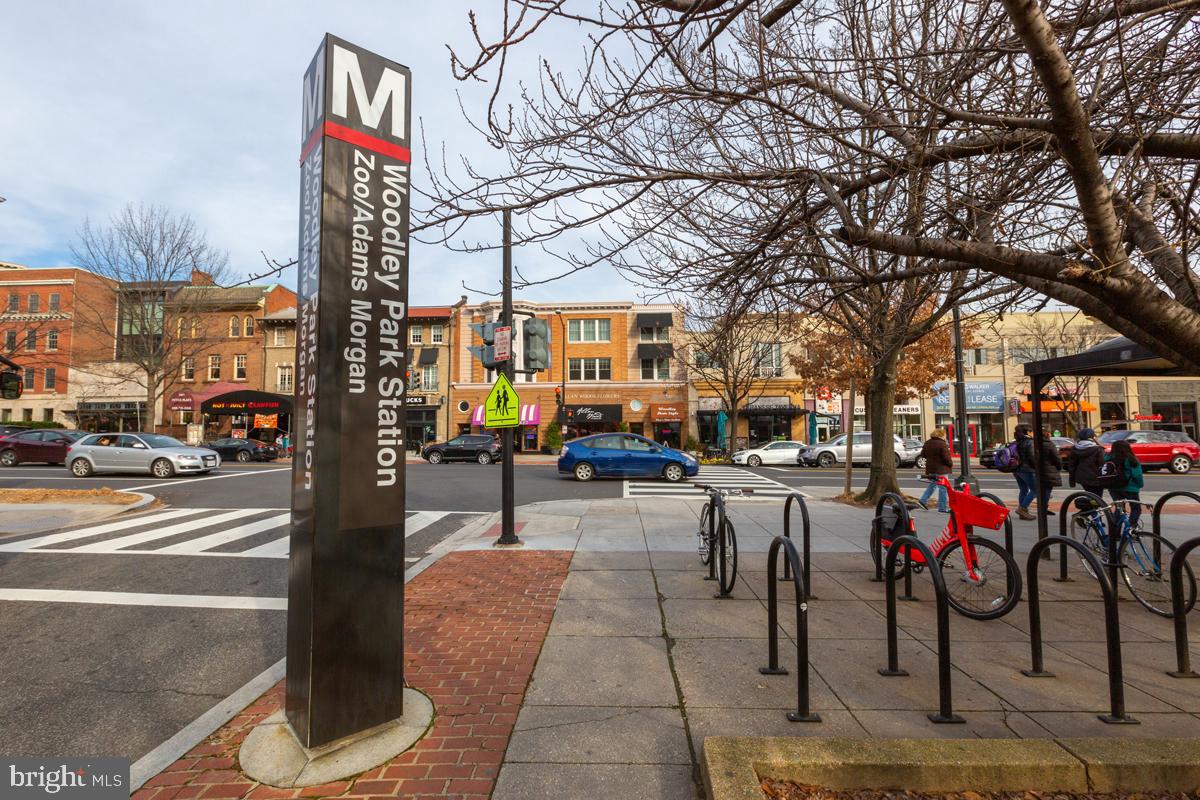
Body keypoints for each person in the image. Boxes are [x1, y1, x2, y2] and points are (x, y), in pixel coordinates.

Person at [1105, 438, 1145, 527]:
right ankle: (1131, 528)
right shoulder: (1131, 459)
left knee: (1119, 509)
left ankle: (1115, 533)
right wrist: (1140, 485)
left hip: (1113, 487)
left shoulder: (1108, 458)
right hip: (1130, 487)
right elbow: (1137, 475)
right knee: (1136, 508)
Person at [916, 428, 953, 512]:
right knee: (943, 488)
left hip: (931, 469)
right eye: (944, 435)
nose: (945, 436)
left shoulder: (928, 443)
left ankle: (922, 500)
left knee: (933, 485)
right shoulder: (942, 444)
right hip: (941, 469)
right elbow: (946, 457)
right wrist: (950, 463)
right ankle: (942, 508)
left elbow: (923, 454)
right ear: (941, 435)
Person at [1067, 428, 1105, 500]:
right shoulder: (1098, 449)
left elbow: (1072, 466)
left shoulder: (1074, 448)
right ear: (1092, 437)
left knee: (1090, 496)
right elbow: (1102, 464)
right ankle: (1093, 510)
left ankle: (1090, 509)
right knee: (1097, 498)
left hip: (1082, 477)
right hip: (1096, 478)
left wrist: (1072, 481)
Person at [1035, 429, 1063, 516]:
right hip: (1049, 469)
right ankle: (1043, 508)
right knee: (1047, 490)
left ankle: (1042, 508)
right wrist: (1059, 467)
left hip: (1039, 469)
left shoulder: (1036, 444)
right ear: (1047, 435)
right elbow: (1056, 458)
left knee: (1042, 490)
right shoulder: (1049, 444)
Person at [1013, 425, 1037, 520]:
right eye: (1031, 431)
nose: (1033, 433)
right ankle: (1022, 508)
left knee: (1023, 489)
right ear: (1028, 432)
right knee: (1036, 490)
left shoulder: (1016, 441)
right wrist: (1037, 467)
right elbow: (1032, 457)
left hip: (1016, 469)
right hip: (1027, 469)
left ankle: (1023, 512)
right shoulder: (1029, 442)